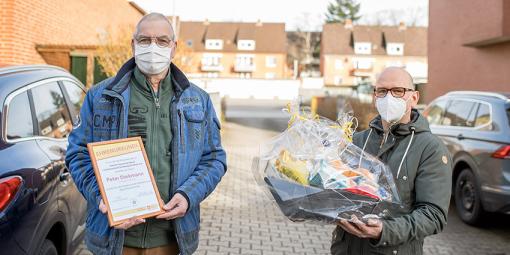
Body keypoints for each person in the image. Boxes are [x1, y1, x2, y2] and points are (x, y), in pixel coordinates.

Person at [65, 13, 226, 255]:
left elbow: (214, 158)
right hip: (115, 239)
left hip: (171, 237)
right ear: (133, 45)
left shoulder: (197, 100)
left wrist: (188, 195)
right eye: (144, 40)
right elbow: (78, 154)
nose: (153, 47)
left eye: (162, 41)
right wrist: (101, 198)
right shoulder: (100, 97)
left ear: (173, 48)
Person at [331, 67, 452, 255]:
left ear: (414, 97)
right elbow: (336, 187)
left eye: (397, 91)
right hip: (347, 249)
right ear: (375, 96)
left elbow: (433, 215)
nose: (389, 98)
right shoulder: (357, 141)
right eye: (382, 91)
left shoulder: (430, 148)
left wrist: (384, 231)